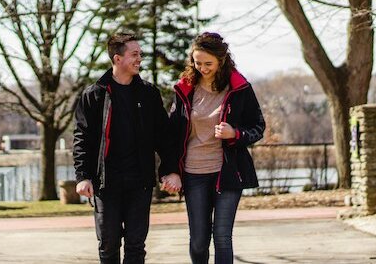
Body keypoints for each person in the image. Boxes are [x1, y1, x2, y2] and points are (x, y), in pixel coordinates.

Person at [159, 32, 266, 264]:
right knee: (198, 241)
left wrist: (235, 134)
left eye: (208, 63)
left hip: (227, 172)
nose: (203, 68)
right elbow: (172, 135)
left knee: (222, 237)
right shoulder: (185, 89)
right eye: (198, 63)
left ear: (222, 60)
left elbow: (258, 126)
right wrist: (171, 170)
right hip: (193, 173)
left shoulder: (239, 88)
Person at [73, 32, 170, 264]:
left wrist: (169, 169)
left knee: (136, 246)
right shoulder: (94, 95)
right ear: (117, 58)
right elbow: (82, 139)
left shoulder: (149, 94)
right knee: (108, 245)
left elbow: (164, 136)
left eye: (140, 54)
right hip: (106, 184)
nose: (140, 59)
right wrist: (83, 176)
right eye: (134, 54)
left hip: (140, 183)